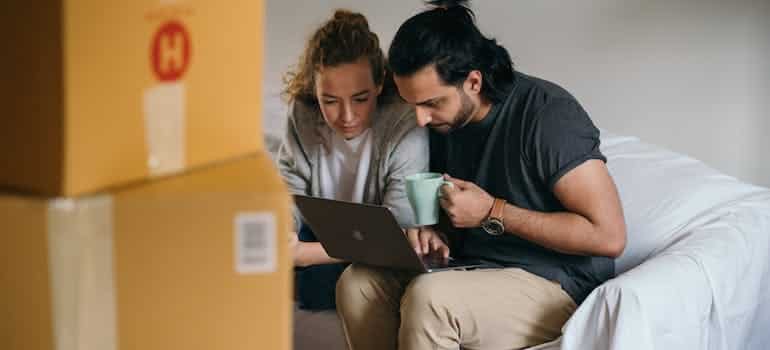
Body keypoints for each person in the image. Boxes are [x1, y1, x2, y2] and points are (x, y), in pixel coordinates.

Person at [335, 1, 628, 349]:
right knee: (357, 284)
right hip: (473, 267)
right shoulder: (446, 124)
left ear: (473, 81)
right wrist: (433, 234)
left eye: (431, 103)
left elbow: (609, 236)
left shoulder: (548, 116)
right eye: (412, 104)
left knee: (431, 299)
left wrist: (492, 211)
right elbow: (458, 218)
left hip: (557, 284)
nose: (420, 119)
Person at [277, 9, 429, 310]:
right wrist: (285, 233)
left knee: (341, 282)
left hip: (376, 246)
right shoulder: (302, 112)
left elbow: (401, 229)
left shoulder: (404, 120)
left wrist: (306, 254)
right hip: (318, 231)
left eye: (361, 99)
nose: (347, 117)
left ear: (380, 85)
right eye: (329, 101)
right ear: (314, 90)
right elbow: (289, 193)